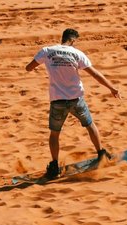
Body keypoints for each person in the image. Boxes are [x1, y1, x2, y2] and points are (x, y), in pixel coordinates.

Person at [25, 27, 121, 178]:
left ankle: (54, 165)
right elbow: (95, 74)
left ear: (62, 38)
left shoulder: (46, 50)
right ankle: (101, 153)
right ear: (73, 40)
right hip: (76, 99)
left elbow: (29, 68)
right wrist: (112, 88)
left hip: (57, 100)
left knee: (55, 134)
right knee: (90, 125)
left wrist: (49, 66)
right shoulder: (77, 53)